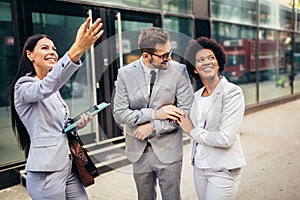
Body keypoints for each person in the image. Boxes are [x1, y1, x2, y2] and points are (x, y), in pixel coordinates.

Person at [6, 17, 104, 200]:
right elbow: (44, 89)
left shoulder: (52, 88)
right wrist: (77, 49)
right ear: (30, 55)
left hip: (68, 164)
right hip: (46, 172)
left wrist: (77, 124)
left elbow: (58, 127)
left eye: (54, 49)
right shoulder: (24, 85)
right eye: (45, 48)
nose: (52, 52)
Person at [113, 27, 194, 200]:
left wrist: (153, 127)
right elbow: (119, 113)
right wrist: (154, 114)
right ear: (146, 55)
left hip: (169, 149)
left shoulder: (179, 71)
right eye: (163, 55)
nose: (169, 58)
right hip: (138, 150)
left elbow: (185, 112)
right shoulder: (125, 74)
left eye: (169, 52)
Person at [178, 36, 247, 200]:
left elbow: (225, 139)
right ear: (195, 68)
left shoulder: (232, 92)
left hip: (223, 169)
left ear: (218, 63)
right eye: (200, 59)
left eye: (211, 58)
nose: (207, 62)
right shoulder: (196, 97)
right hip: (200, 167)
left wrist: (193, 132)